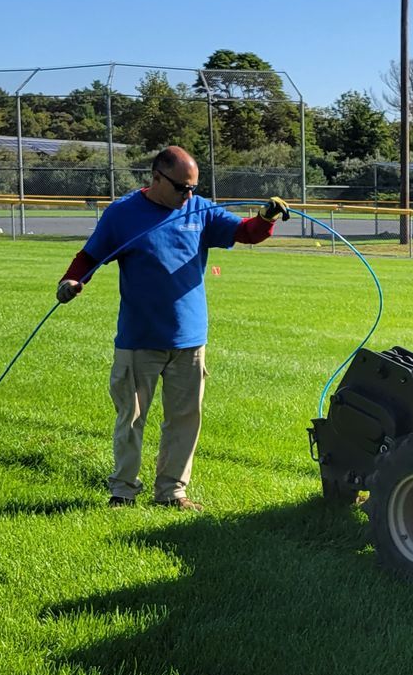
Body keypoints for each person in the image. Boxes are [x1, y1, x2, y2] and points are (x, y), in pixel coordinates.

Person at [56, 145, 290, 510]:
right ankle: (122, 492)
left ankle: (171, 492)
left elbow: (247, 233)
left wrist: (266, 217)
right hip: (139, 339)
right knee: (131, 418)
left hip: (190, 339)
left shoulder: (201, 210)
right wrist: (71, 282)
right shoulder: (122, 214)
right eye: (181, 187)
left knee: (184, 420)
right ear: (156, 178)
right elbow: (90, 256)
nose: (189, 195)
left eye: (193, 187)